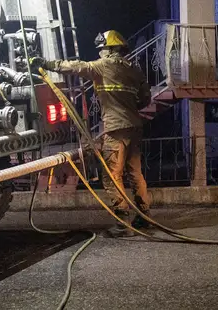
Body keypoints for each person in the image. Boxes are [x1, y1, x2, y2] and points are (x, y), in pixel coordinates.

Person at [31, 30, 151, 237]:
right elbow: (145, 100)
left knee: (112, 175)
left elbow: (76, 67)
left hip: (115, 129)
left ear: (111, 49)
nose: (100, 53)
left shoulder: (103, 66)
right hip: (135, 127)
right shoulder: (134, 70)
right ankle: (144, 217)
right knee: (135, 173)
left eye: (102, 49)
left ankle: (123, 224)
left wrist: (46, 63)